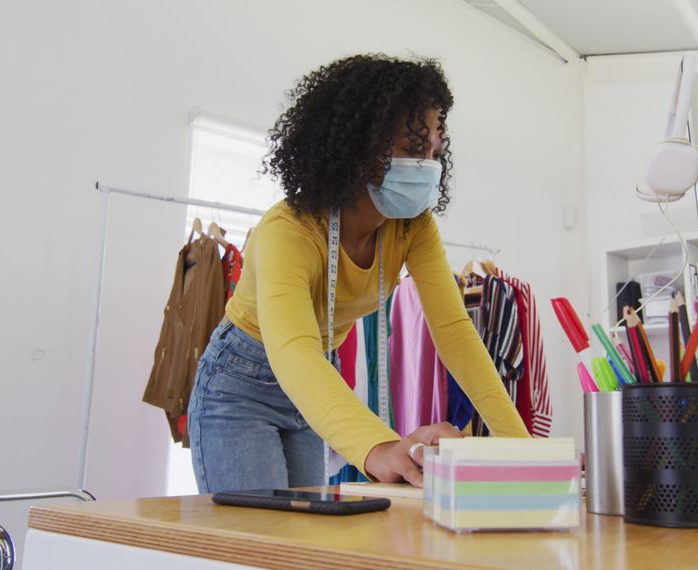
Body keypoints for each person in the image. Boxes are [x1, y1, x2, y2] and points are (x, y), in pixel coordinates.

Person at [187, 54, 528, 493]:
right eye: (413, 149)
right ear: (360, 148)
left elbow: (454, 332)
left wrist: (523, 449)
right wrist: (380, 446)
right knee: (260, 544)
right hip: (241, 385)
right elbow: (292, 350)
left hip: (315, 382)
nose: (428, 166)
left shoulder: (412, 227)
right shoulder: (288, 229)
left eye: (434, 152)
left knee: (304, 545)